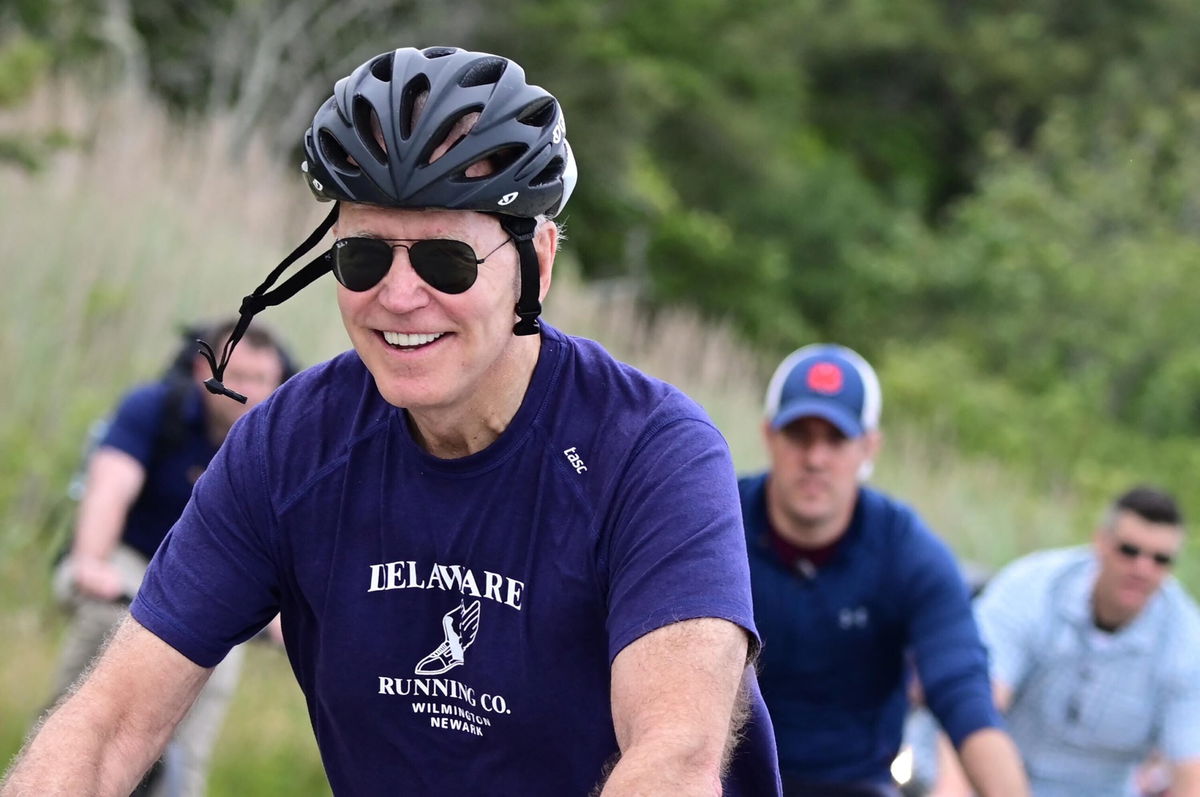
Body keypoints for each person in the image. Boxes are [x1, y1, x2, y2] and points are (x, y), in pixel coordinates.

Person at [1, 46, 781, 796]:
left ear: (536, 264)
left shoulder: (650, 453)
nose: (400, 297)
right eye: (365, 258)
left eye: (444, 261)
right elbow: (108, 723)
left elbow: (675, 759)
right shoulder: (287, 447)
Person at [739, 343, 1029, 797]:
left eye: (836, 439)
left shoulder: (909, 552)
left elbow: (963, 693)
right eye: (799, 435)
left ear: (869, 447)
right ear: (769, 435)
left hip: (855, 784)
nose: (815, 458)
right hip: (723, 776)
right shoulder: (714, 525)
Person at [45, 318, 292, 797]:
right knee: (109, 629)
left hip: (220, 583)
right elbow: (110, 488)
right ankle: (58, 765)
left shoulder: (282, 441)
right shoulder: (156, 409)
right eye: (237, 377)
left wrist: (291, 617)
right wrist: (92, 562)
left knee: (214, 678)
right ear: (207, 369)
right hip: (133, 561)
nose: (250, 392)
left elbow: (293, 538)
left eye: (263, 380)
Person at [968, 486, 1200, 797]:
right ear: (1101, 542)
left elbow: (1191, 774)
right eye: (1129, 551)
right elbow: (973, 708)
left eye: (1160, 560)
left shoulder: (1186, 639)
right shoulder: (1030, 588)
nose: (1142, 569)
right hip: (987, 776)